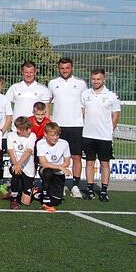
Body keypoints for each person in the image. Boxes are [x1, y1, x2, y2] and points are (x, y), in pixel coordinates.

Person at [48, 57, 87, 198]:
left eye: (67, 68)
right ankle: (61, 184)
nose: (65, 70)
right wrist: (49, 121)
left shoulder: (81, 84)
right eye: (62, 68)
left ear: (72, 68)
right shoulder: (53, 83)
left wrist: (82, 120)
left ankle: (75, 185)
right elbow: (48, 102)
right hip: (58, 126)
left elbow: (85, 104)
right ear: (59, 68)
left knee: (76, 156)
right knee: (60, 157)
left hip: (76, 126)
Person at [81, 68, 121, 202]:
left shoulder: (112, 96)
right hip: (88, 135)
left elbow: (115, 117)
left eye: (98, 79)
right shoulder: (85, 94)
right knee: (89, 163)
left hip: (104, 137)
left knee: (104, 164)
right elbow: (83, 113)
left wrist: (108, 131)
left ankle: (104, 191)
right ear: (90, 79)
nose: (96, 81)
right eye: (93, 79)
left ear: (104, 79)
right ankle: (90, 190)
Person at [36, 122, 71, 212]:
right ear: (45, 134)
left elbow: (67, 162)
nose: (55, 138)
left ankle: (38, 193)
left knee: (56, 201)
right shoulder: (40, 143)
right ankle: (46, 201)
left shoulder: (64, 143)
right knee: (47, 172)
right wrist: (60, 167)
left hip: (58, 173)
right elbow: (43, 163)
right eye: (52, 135)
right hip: (46, 170)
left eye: (57, 135)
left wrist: (59, 168)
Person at [5, 60, 51, 127]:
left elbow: (46, 111)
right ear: (22, 72)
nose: (28, 75)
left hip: (35, 129)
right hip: (17, 128)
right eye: (26, 72)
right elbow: (5, 104)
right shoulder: (14, 87)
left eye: (31, 72)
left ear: (35, 72)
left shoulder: (43, 89)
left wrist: (46, 127)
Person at [6, 116, 37, 210]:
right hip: (15, 165)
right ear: (19, 130)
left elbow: (28, 151)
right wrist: (16, 165)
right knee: (16, 172)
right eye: (26, 129)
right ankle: (14, 198)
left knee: (26, 202)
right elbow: (10, 151)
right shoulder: (11, 135)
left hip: (28, 168)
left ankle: (30, 190)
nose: (29, 130)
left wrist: (18, 164)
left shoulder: (32, 135)